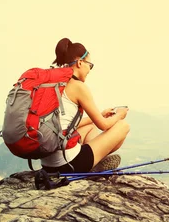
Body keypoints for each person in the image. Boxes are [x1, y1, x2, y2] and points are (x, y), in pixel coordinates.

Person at [40, 38, 130, 173]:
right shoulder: (78, 87)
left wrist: (99, 115)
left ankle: (94, 161)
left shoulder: (54, 84)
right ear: (80, 62)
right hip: (69, 164)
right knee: (123, 126)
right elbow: (104, 125)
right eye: (90, 65)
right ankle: (94, 165)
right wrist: (120, 115)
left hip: (48, 164)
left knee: (90, 125)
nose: (90, 69)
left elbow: (64, 125)